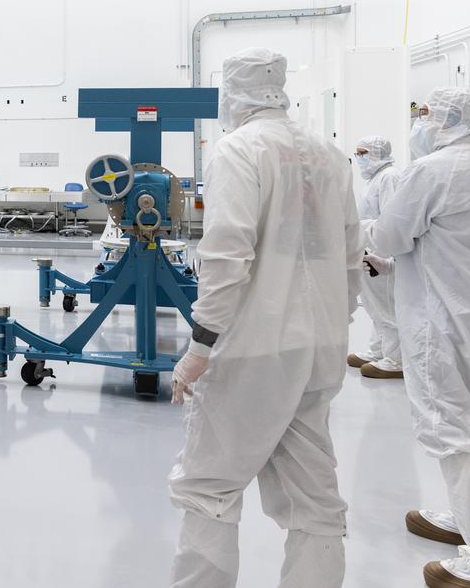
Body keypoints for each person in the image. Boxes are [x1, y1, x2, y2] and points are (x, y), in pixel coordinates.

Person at [167, 48, 362, 588]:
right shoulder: (329, 155)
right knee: (314, 500)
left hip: (251, 351)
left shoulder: (238, 150)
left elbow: (228, 257)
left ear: (231, 94)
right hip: (317, 348)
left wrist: (199, 349)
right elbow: (348, 256)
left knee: (208, 488)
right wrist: (333, 326)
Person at [369, 88, 470, 587]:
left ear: (444, 120)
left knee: (450, 429)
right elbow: (456, 242)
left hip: (441, 322)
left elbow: (390, 235)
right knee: (467, 421)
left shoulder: (432, 170)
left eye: (424, 114)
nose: (418, 123)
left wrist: (358, 230)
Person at [347, 135, 404, 379]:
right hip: (370, 249)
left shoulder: (390, 176)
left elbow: (391, 220)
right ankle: (378, 350)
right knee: (374, 306)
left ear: (378, 153)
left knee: (387, 307)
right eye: (357, 153)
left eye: (363, 153)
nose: (359, 158)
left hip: (382, 252)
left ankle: (397, 359)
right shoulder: (374, 179)